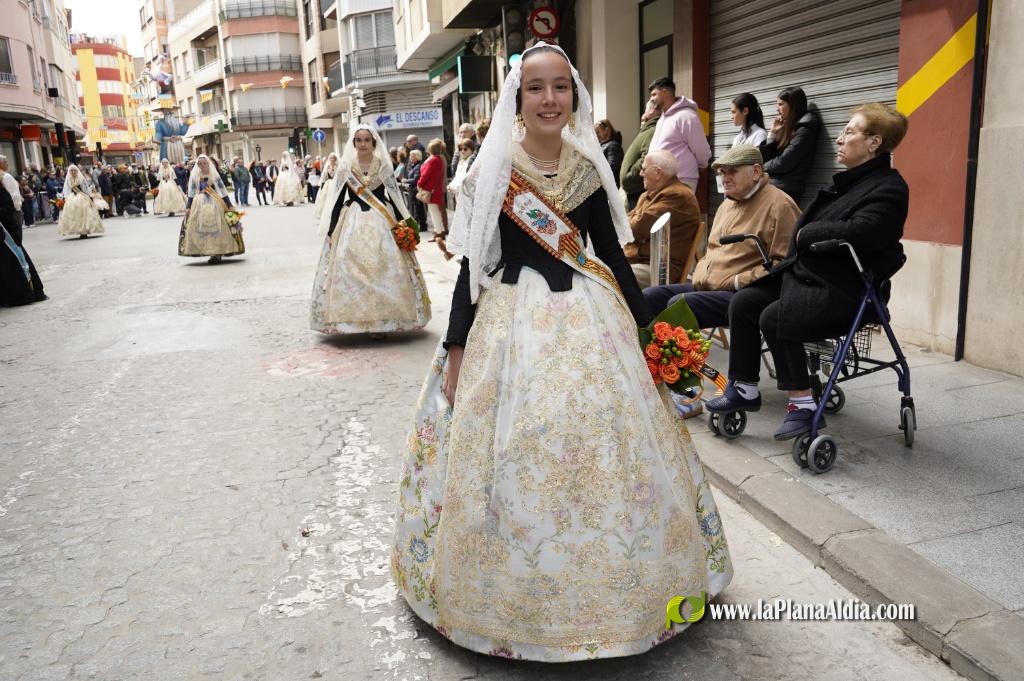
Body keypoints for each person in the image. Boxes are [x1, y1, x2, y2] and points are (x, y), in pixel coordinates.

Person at [392, 42, 732, 662]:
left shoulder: (587, 168)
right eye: (535, 89)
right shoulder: (493, 171)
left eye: (559, 88)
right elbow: (472, 267)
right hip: (510, 323)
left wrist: (650, 331)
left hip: (590, 317)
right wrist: (458, 346)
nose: (549, 99)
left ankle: (628, 589)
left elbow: (611, 258)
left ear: (574, 95)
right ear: (516, 101)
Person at [708, 104, 909, 440]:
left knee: (775, 316)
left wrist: (805, 235)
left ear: (874, 142)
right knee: (744, 303)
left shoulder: (889, 188)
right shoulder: (846, 183)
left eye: (850, 131)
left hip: (847, 288)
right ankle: (744, 388)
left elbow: (862, 233)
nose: (840, 138)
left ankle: (802, 406)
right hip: (808, 278)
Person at [643, 144, 800, 327]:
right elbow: (712, 250)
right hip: (709, 285)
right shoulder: (727, 204)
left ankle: (680, 355)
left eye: (731, 172)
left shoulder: (780, 205)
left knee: (680, 304)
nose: (724, 178)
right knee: (649, 297)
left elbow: (785, 263)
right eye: (722, 172)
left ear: (756, 172)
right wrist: (702, 273)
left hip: (744, 292)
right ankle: (647, 354)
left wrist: (736, 281)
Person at [310, 124, 431, 335]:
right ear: (354, 143)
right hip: (352, 220)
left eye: (367, 140)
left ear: (373, 143)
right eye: (359, 140)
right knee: (350, 269)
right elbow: (338, 201)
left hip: (381, 221)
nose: (363, 144)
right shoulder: (345, 167)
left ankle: (384, 321)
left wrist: (406, 223)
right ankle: (351, 321)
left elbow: (394, 195)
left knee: (384, 269)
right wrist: (331, 231)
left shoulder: (383, 165)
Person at [623, 150, 701, 287]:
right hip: (638, 260)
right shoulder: (648, 195)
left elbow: (635, 229)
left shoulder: (678, 195)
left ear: (658, 172)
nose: (641, 174)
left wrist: (631, 220)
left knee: (608, 277)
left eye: (643, 169)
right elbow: (626, 226)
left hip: (659, 269)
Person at [758, 86, 821, 202]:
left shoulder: (805, 130)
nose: (777, 109)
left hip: (787, 190)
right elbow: (766, 158)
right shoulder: (788, 127)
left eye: (781, 104)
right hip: (776, 186)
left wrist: (760, 168)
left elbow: (784, 162)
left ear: (793, 105)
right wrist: (772, 133)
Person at [178, 154, 244, 263]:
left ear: (208, 163)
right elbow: (191, 192)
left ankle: (217, 252)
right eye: (199, 164)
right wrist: (188, 207)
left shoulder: (214, 175)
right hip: (199, 203)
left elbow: (222, 191)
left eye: (204, 163)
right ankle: (205, 250)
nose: (202, 165)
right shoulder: (194, 176)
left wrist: (229, 204)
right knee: (200, 227)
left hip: (215, 202)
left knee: (218, 226)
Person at [647, 77, 711, 190]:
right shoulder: (662, 118)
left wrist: (701, 165)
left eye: (654, 94)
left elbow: (701, 148)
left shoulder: (686, 116)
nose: (651, 99)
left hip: (681, 180)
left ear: (665, 92)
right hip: (661, 180)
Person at [1, 183, 46, 306]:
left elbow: (8, 208)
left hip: (5, 234)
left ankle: (20, 294)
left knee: (11, 265)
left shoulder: (2, 190)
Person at [621, 100, 661, 210]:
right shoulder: (647, 130)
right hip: (633, 189)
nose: (644, 114)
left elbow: (647, 157)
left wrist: (629, 176)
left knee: (636, 223)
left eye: (646, 109)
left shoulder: (652, 130)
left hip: (637, 189)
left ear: (652, 110)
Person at [57, 165, 106, 239]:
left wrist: (91, 194)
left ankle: (84, 231)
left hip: (81, 196)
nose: (73, 172)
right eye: (71, 170)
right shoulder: (68, 179)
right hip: (72, 197)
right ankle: (75, 230)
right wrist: (65, 198)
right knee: (73, 214)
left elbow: (85, 189)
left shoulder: (81, 178)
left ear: (77, 171)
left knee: (84, 214)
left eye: (74, 170)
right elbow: (66, 190)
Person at [416, 138, 447, 240]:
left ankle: (439, 232)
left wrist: (419, 183)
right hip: (434, 189)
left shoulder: (433, 160)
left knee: (434, 212)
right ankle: (439, 231)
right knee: (435, 212)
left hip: (430, 190)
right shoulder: (438, 159)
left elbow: (425, 174)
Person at [446, 138, 477, 202]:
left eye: (465, 149)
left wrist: (453, 188)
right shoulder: (461, 162)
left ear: (472, 150)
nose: (462, 151)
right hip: (459, 197)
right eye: (460, 149)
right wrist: (450, 185)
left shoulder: (472, 163)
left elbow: (467, 182)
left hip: (468, 199)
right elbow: (457, 177)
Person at [595, 118, 623, 187]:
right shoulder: (603, 144)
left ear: (607, 130)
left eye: (598, 132)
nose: (596, 135)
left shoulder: (613, 145)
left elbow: (612, 166)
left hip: (609, 186)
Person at [312, 152, 338, 223]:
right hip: (328, 185)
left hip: (335, 184)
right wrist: (322, 186)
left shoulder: (338, 166)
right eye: (331, 158)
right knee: (326, 200)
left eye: (334, 158)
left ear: (336, 159)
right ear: (329, 159)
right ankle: (327, 215)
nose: (332, 159)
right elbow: (323, 177)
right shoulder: (327, 166)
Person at [403, 149, 426, 230]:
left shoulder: (418, 166)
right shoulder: (415, 166)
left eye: (412, 156)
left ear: (416, 157)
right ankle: (420, 225)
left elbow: (415, 179)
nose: (410, 158)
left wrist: (405, 180)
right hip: (413, 190)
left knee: (419, 209)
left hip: (416, 190)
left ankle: (423, 226)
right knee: (417, 209)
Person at [0, 156, 23, 235]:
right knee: (16, 234)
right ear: (1, 163)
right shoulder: (6, 176)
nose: (7, 164)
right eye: (5, 162)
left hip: (4, 211)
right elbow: (14, 195)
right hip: (12, 210)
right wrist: (17, 207)